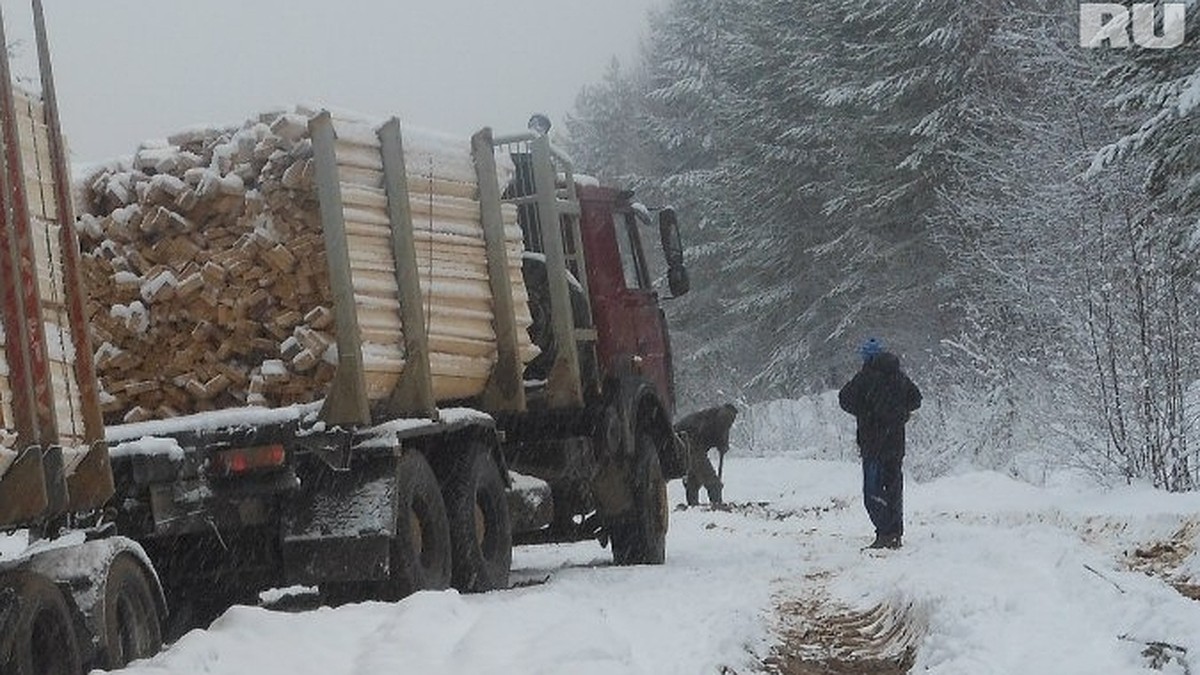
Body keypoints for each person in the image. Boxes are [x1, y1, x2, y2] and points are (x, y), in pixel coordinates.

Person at [838, 338, 921, 549]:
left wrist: (865, 412)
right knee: (893, 488)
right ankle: (894, 533)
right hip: (895, 443)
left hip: (872, 443)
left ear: (866, 357)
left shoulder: (865, 378)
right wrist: (900, 413)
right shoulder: (898, 376)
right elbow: (916, 399)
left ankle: (884, 532)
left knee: (872, 491)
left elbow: (844, 399)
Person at [675, 403, 738, 506]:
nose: (729, 422)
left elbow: (722, 437)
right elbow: (697, 442)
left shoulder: (723, 422)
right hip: (686, 440)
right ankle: (716, 503)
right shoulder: (708, 419)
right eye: (727, 418)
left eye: (731, 420)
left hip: (692, 444)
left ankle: (693, 505)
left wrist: (723, 446)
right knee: (710, 479)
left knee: (695, 477)